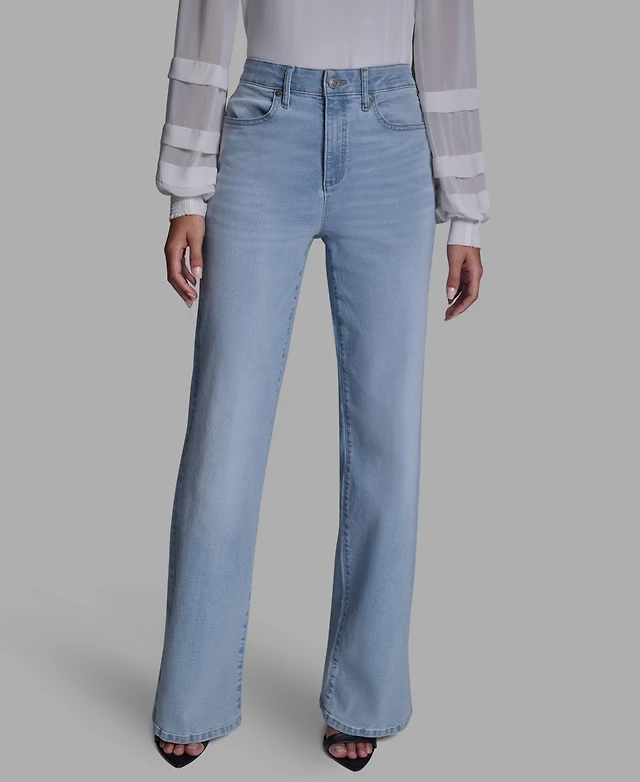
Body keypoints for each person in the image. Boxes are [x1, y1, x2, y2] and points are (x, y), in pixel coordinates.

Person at [151, 0, 490, 771]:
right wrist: (186, 193)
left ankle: (364, 697)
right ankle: (193, 693)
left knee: (388, 438)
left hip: (393, 140)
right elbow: (204, 22)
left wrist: (467, 212)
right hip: (263, 129)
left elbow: (447, 38)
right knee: (225, 430)